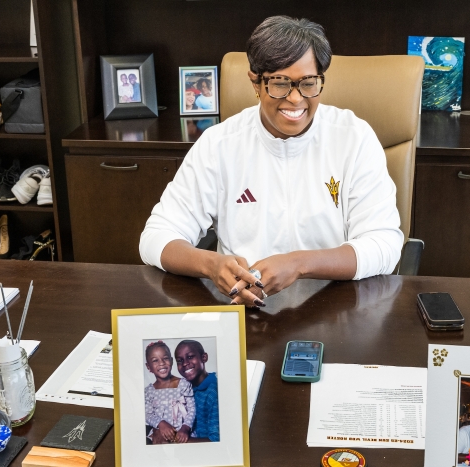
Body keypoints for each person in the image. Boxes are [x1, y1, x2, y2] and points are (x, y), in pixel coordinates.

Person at [140, 16, 403, 308]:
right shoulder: (220, 144)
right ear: (255, 81)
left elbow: (384, 246)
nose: (295, 99)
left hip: (334, 310)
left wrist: (299, 264)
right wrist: (211, 265)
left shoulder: (353, 138)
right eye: (279, 84)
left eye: (308, 83)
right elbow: (156, 238)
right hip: (244, 311)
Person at [144, 341, 195, 444]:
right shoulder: (148, 391)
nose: (161, 363)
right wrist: (161, 424)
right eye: (155, 360)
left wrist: (185, 428)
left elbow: (192, 409)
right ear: (148, 367)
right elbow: (148, 414)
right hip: (160, 432)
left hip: (182, 432)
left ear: (171, 361)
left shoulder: (183, 384)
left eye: (165, 358)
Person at [175, 340, 218, 442]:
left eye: (190, 357)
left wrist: (175, 440)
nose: (185, 363)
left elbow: (215, 441)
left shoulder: (214, 392)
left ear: (204, 357)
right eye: (180, 360)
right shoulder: (182, 389)